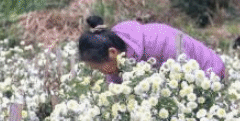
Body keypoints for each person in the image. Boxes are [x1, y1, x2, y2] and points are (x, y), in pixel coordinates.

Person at [77, 15, 225, 82]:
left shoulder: (159, 42)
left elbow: (184, 80)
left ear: (112, 52)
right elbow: (117, 88)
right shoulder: (118, 57)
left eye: (99, 68)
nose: (101, 73)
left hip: (210, 74)